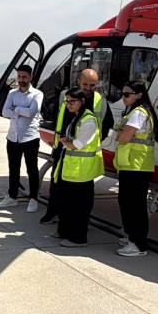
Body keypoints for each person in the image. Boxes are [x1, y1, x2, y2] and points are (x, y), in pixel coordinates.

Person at [40, 68, 112, 225]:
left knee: (83, 190)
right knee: (57, 180)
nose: (88, 88)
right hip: (63, 148)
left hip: (83, 153)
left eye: (92, 85)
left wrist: (91, 141)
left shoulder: (100, 101)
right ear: (78, 81)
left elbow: (106, 125)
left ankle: (78, 221)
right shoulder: (65, 96)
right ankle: (54, 213)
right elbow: (54, 117)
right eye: (85, 84)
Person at [48, 89, 105, 248]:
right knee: (67, 203)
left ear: (82, 101)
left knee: (79, 207)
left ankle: (78, 238)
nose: (68, 105)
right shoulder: (77, 118)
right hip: (72, 170)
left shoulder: (88, 121)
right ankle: (65, 231)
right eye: (66, 101)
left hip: (82, 172)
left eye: (72, 101)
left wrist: (65, 142)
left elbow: (77, 145)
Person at [113, 80, 158, 258]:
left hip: (137, 166)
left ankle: (138, 243)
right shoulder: (135, 112)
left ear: (138, 95)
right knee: (128, 202)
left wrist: (119, 134)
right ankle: (131, 237)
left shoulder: (138, 113)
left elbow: (125, 137)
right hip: (133, 165)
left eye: (127, 94)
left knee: (134, 205)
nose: (123, 98)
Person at [0, 64, 44, 212]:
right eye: (19, 77)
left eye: (24, 77)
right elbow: (5, 112)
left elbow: (32, 112)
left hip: (30, 138)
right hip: (13, 137)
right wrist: (19, 111)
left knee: (32, 169)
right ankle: (12, 196)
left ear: (30, 77)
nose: (21, 80)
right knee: (13, 168)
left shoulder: (37, 94)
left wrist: (16, 109)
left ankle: (33, 198)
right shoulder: (12, 94)